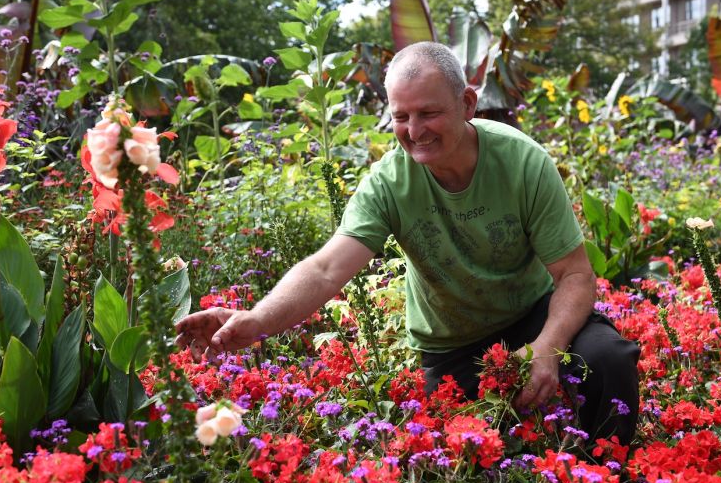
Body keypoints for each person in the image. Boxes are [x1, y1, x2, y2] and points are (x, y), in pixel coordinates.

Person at [177, 42, 640, 444]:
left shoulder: (522, 162)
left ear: (467, 103)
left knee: (608, 359)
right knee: (466, 446)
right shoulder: (388, 184)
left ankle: (608, 479)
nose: (415, 131)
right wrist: (256, 320)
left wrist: (546, 347)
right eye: (401, 116)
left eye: (429, 113)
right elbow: (325, 270)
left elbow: (575, 275)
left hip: (531, 314)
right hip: (453, 345)